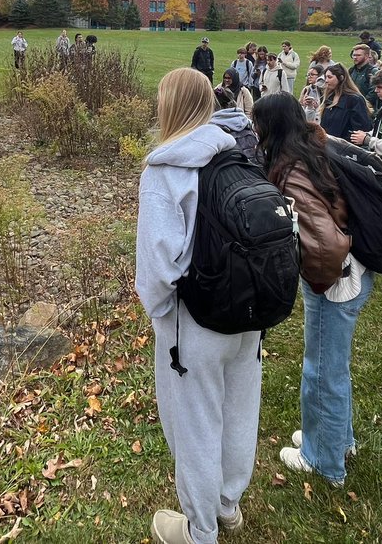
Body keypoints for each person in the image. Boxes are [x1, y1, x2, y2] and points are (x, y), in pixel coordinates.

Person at [136, 68, 260, 544]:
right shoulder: (237, 152)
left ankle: (199, 529)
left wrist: (160, 314)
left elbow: (159, 266)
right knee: (238, 410)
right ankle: (228, 506)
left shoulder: (166, 167)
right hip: (248, 312)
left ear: (169, 106)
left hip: (195, 321)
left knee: (195, 422)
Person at [253, 93, 372, 487]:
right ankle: (336, 440)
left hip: (335, 278)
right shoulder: (317, 146)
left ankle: (323, 460)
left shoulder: (294, 169)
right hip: (353, 268)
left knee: (321, 370)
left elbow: (324, 243)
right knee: (331, 365)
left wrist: (319, 285)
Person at [319, 64, 371, 139]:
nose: (326, 81)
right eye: (325, 77)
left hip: (345, 146)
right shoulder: (329, 98)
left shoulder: (354, 100)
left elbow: (361, 128)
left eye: (330, 77)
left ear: (341, 78)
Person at [348, 45, 377, 110]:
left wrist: (362, 104)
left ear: (366, 56)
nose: (355, 57)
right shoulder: (351, 71)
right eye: (354, 55)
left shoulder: (373, 71)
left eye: (358, 55)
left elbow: (373, 92)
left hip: (366, 108)